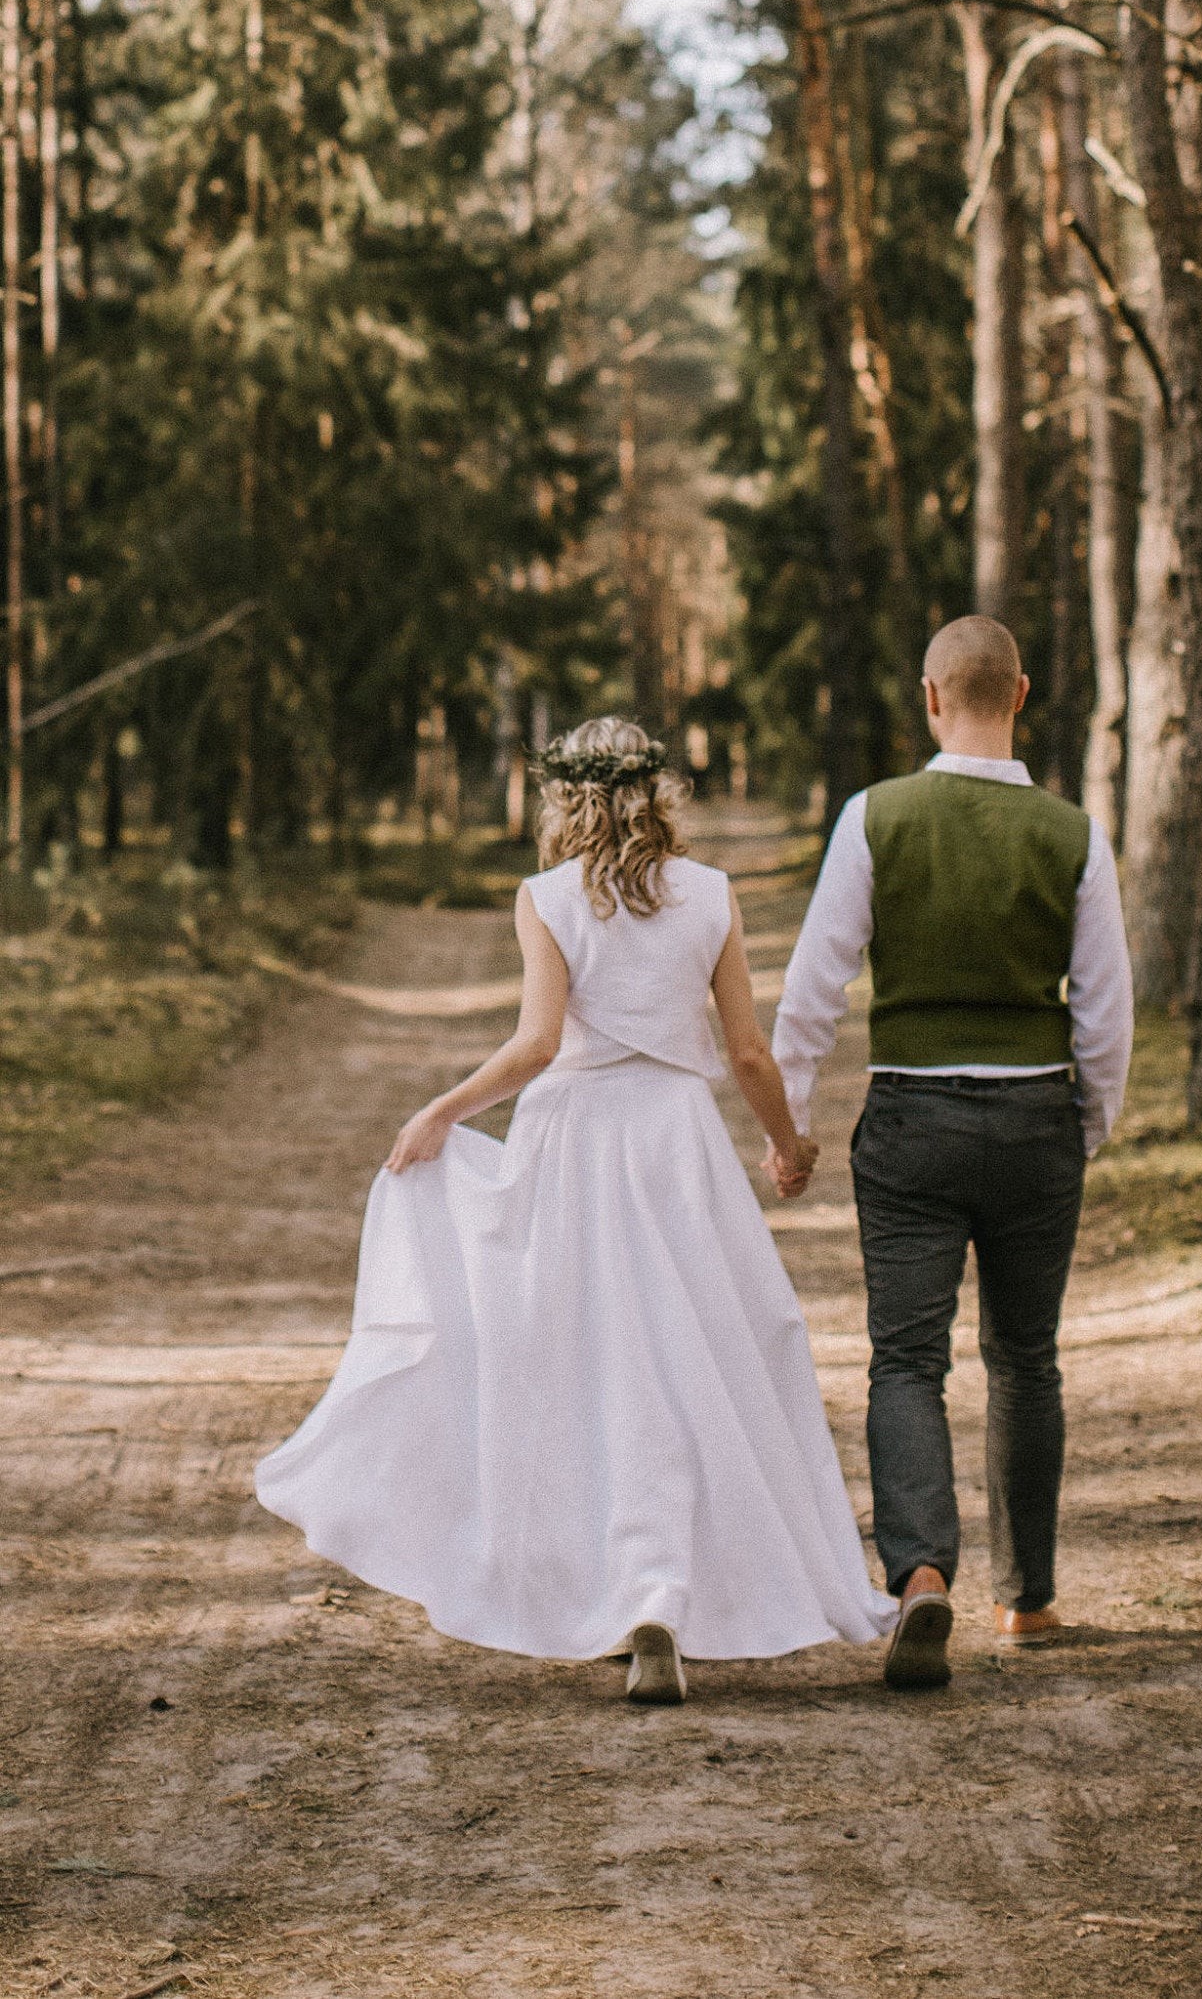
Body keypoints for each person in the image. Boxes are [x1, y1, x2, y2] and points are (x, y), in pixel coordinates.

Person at [256, 718, 896, 1704]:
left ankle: (633, 1594)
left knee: (586, 1364)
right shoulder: (711, 897)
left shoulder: (548, 899)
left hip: (574, 1143)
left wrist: (442, 1109)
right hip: (674, 1143)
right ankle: (662, 1592)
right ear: (657, 793)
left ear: (565, 799)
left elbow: (537, 1044)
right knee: (701, 1358)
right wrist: (784, 1140)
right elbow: (749, 1053)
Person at [770, 617, 1133, 1690]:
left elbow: (812, 988)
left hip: (912, 1123)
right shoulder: (1073, 834)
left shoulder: (876, 816)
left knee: (906, 1358)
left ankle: (921, 1574)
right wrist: (1087, 1121)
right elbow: (1105, 1011)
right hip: (1033, 1123)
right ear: (1018, 693)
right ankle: (1027, 1599)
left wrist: (790, 1126)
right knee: (1025, 1358)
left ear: (930, 697)